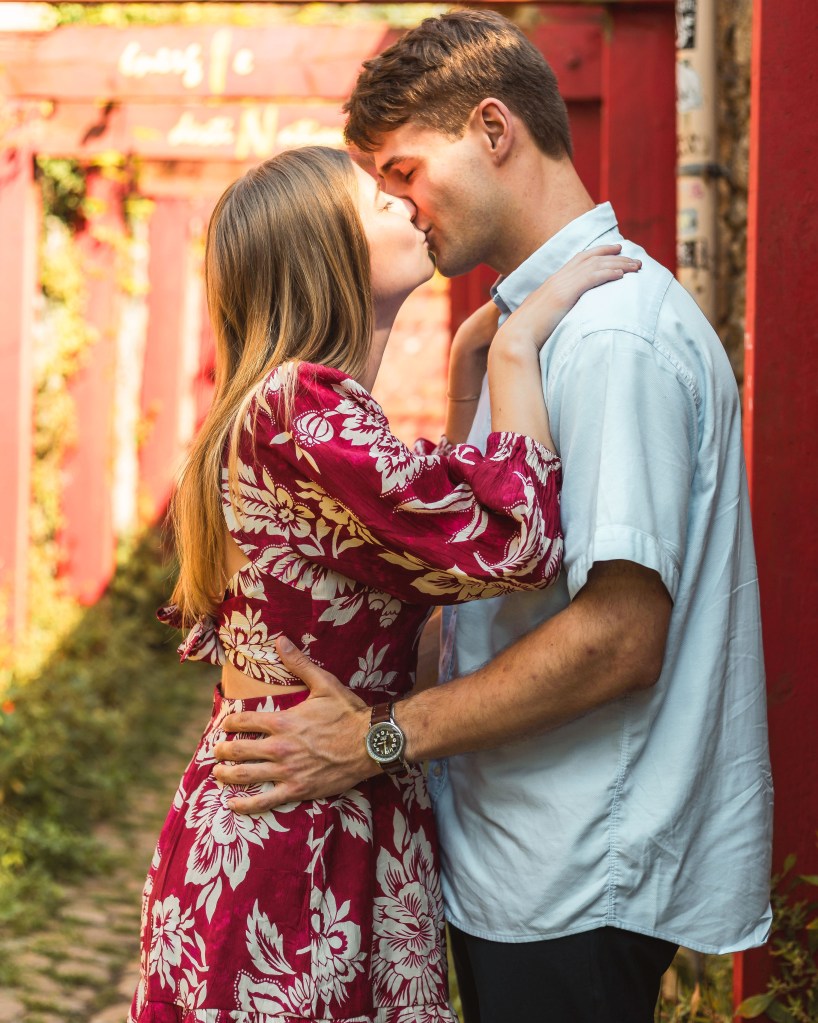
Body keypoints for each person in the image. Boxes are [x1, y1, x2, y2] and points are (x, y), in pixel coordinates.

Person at [210, 11, 774, 1023]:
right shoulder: (540, 324)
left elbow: (616, 640)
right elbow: (472, 571)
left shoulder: (608, 338)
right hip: (522, 858)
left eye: (405, 171)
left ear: (491, 128)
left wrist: (376, 738)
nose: (398, 206)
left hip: (571, 871)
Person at [128, 143, 639, 1023]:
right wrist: (518, 347)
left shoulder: (291, 409)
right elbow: (513, 543)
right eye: (378, 200)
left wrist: (466, 379)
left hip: (313, 810)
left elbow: (412, 544)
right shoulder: (302, 407)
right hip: (299, 837)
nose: (408, 204)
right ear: (324, 253)